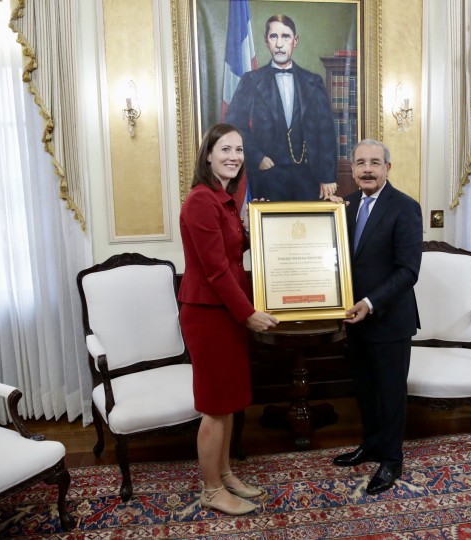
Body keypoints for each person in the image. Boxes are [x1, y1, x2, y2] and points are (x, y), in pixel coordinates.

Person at [178, 123, 279, 515]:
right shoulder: (201, 201)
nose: (234, 156)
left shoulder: (224, 199)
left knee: (230, 401)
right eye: (225, 149)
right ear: (208, 155)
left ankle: (225, 474)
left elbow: (238, 248)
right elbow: (217, 269)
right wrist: (249, 314)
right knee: (216, 406)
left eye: (238, 149)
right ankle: (211, 489)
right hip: (208, 315)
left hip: (227, 313)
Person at [330, 139, 423, 495]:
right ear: (352, 169)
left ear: (387, 167)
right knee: (365, 389)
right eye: (360, 163)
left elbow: (408, 270)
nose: (366, 169)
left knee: (390, 392)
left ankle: (391, 459)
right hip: (354, 320)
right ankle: (370, 445)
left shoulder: (405, 207)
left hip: (389, 319)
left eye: (374, 162)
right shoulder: (345, 206)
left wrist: (370, 301)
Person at [225, 14, 337, 202]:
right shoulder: (251, 81)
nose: (279, 44)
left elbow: (325, 132)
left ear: (295, 41)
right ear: (266, 42)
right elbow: (234, 126)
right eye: (273, 36)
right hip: (267, 175)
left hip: (308, 176)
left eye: (285, 36)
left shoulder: (313, 81)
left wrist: (328, 176)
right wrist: (257, 157)